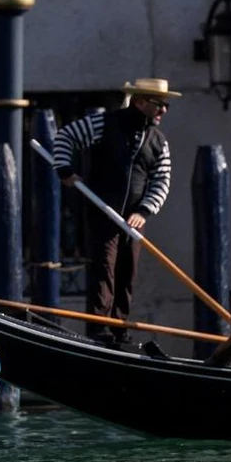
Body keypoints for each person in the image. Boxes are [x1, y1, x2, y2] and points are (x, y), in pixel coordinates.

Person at [50, 78, 176, 349]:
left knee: (127, 270)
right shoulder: (105, 124)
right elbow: (65, 137)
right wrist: (65, 170)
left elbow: (161, 180)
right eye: (160, 105)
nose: (164, 110)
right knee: (104, 268)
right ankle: (100, 328)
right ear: (141, 102)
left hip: (134, 219)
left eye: (166, 106)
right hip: (102, 211)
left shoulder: (158, 141)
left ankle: (121, 326)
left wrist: (144, 210)